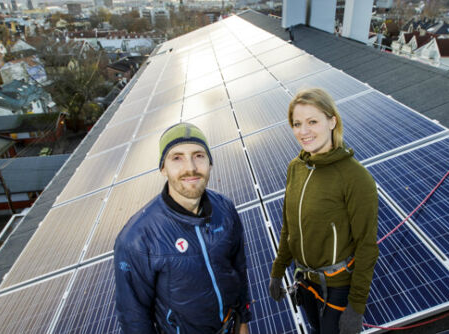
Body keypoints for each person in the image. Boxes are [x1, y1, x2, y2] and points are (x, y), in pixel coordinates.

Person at [114, 123, 251, 334]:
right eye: (177, 157)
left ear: (210, 162)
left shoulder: (225, 208)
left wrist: (243, 320)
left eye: (198, 155)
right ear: (163, 168)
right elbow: (134, 316)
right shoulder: (137, 238)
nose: (191, 167)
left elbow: (239, 269)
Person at [268, 88, 379, 334]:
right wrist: (278, 271)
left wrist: (356, 306)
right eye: (297, 124)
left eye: (312, 121)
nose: (303, 131)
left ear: (332, 121)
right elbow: (289, 226)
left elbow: (367, 247)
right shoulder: (295, 168)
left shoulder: (355, 177)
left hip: (337, 286)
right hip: (305, 282)